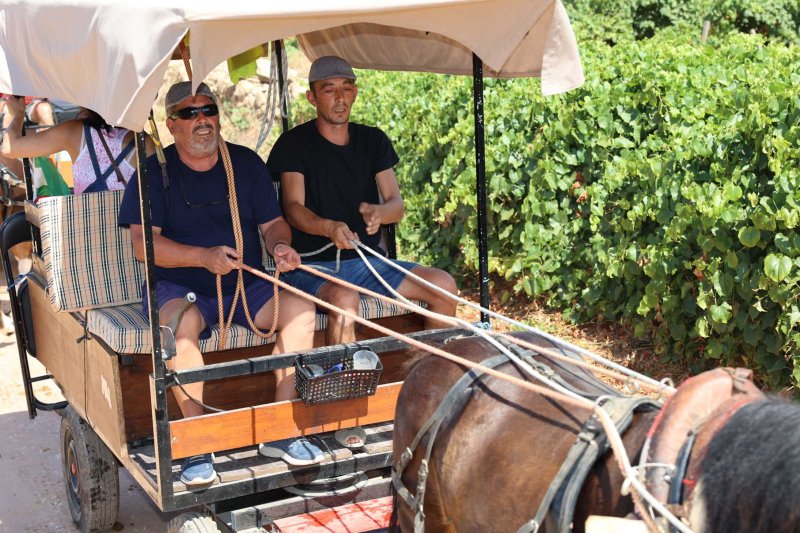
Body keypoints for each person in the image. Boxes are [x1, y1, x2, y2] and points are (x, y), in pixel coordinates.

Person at [118, 82, 323, 487]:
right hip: (179, 285)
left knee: (301, 310)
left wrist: (280, 245)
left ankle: (280, 429)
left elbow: (272, 223)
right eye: (189, 113)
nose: (202, 121)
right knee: (179, 329)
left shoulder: (245, 163)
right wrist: (201, 257)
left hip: (242, 283)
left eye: (208, 110)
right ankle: (199, 442)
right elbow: (144, 246)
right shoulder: (152, 172)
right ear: (172, 124)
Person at [267, 56, 458, 345]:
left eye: (347, 88)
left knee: (443, 285)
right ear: (312, 98)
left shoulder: (373, 141)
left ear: (355, 93)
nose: (340, 98)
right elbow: (293, 209)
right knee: (345, 299)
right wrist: (328, 227)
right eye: (329, 90)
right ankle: (338, 382)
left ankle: (431, 375)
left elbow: (396, 205)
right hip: (311, 266)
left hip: (367, 263)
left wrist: (380, 213)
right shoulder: (294, 144)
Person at [1, 95, 154, 194]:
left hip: (85, 237)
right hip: (132, 238)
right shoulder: (144, 141)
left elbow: (9, 147)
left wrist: (18, 113)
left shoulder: (74, 131)